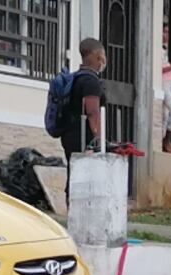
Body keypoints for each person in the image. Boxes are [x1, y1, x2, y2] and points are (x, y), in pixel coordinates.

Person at [60, 38, 106, 203]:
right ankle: (79, 213)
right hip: (83, 138)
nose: (104, 59)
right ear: (97, 56)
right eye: (103, 55)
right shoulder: (90, 81)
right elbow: (93, 112)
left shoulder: (76, 77)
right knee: (84, 178)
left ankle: (72, 211)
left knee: (74, 175)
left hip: (68, 134)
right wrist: (99, 139)